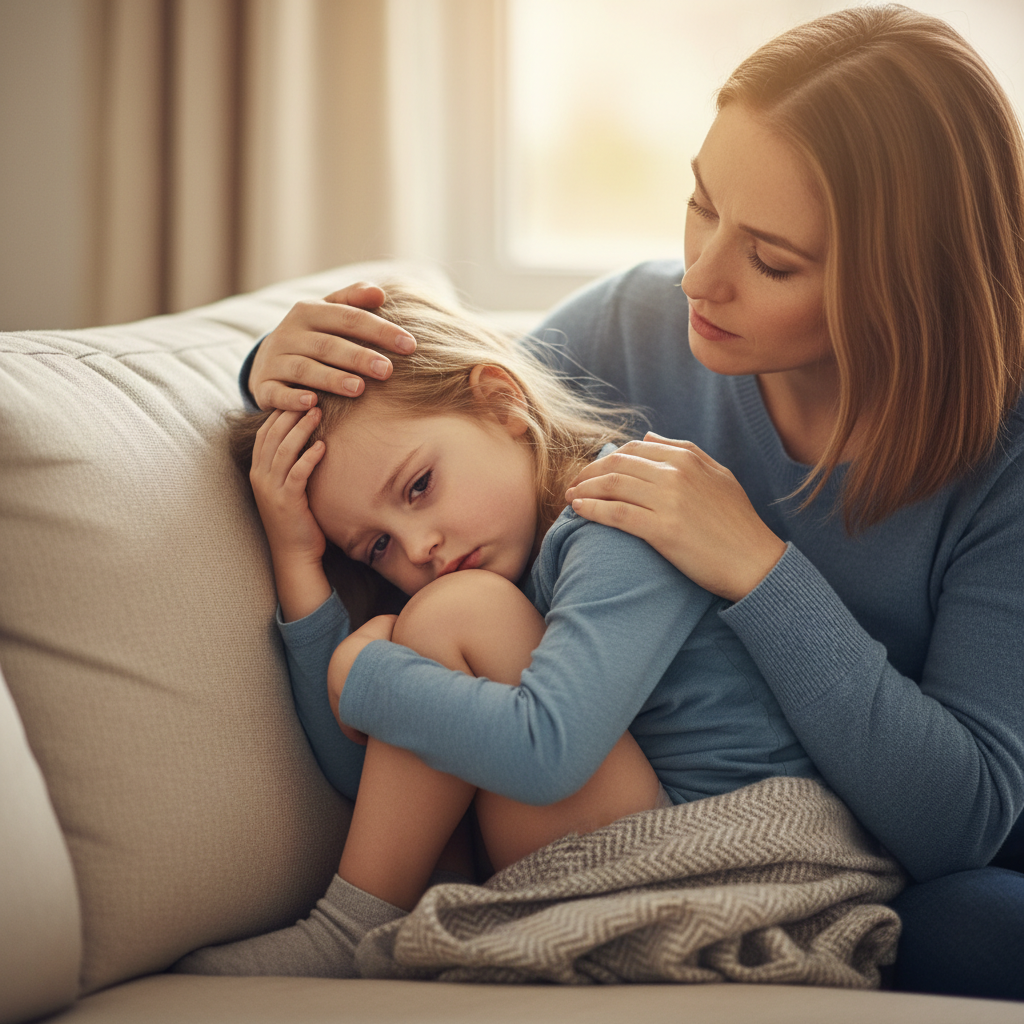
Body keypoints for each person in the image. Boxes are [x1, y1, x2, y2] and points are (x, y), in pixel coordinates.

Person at [232, 4, 1024, 1000]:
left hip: (911, 823)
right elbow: (437, 404)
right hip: (638, 813)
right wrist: (276, 368)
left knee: (980, 931)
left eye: (770, 260)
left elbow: (963, 821)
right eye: (700, 204)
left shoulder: (1003, 454)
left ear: (901, 283)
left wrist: (759, 570)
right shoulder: (636, 323)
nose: (702, 274)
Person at [176, 281, 821, 979]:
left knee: (454, 611)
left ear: (502, 403)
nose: (418, 545)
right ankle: (355, 926)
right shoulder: (505, 572)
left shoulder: (624, 520)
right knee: (439, 628)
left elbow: (547, 753)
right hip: (642, 849)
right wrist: (299, 562)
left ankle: (346, 930)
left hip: (739, 874)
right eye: (377, 548)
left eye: (418, 486)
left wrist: (359, 672)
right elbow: (365, 778)